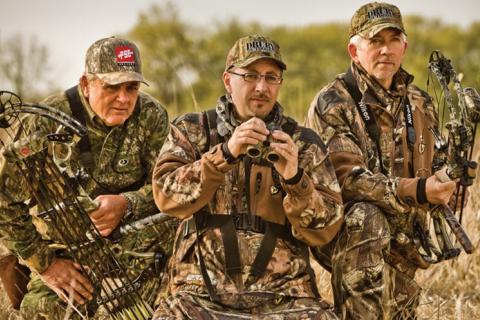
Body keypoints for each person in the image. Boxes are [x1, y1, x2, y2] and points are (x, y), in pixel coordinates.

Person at [151, 34, 343, 319]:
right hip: (200, 294)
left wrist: (295, 179)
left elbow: (326, 230)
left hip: (285, 297)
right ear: (228, 81)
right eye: (250, 76)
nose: (261, 87)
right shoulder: (193, 129)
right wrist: (225, 154)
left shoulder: (303, 142)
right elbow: (165, 197)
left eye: (271, 77)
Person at [0, 37, 177, 319]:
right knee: (45, 310)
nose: (124, 98)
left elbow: (171, 186)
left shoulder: (151, 114)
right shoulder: (46, 120)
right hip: (67, 254)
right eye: (111, 87)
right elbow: (4, 203)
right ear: (86, 83)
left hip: (135, 243)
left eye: (131, 88)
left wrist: (127, 203)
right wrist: (46, 265)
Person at [304, 2, 462, 319]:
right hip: (347, 231)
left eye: (393, 40)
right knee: (367, 215)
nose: (385, 50)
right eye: (375, 41)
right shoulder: (333, 101)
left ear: (404, 46)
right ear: (354, 49)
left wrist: (450, 181)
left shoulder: (419, 101)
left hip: (404, 237)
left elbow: (435, 166)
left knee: (398, 311)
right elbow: (347, 180)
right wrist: (419, 190)